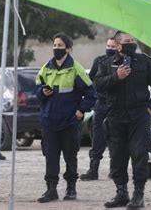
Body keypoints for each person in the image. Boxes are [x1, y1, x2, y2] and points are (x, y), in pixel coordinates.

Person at [94, 32, 151, 209]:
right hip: (115, 116)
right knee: (117, 157)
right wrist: (116, 77)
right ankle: (121, 193)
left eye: (133, 41)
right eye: (127, 42)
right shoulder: (106, 64)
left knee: (139, 155)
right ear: (118, 45)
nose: (131, 44)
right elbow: (97, 85)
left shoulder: (145, 61)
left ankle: (138, 195)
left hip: (139, 116)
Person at [35, 32, 96, 203]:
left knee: (70, 156)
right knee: (51, 157)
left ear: (68, 49)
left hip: (69, 122)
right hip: (49, 121)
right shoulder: (46, 68)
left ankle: (71, 189)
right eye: (54, 45)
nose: (56, 48)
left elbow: (91, 94)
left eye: (60, 46)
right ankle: (51, 189)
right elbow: (37, 90)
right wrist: (42, 92)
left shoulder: (76, 69)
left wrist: (81, 110)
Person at [80, 37, 117, 181]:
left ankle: (115, 170)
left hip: (116, 106)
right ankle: (93, 169)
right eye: (108, 45)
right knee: (98, 138)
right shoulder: (99, 61)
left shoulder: (122, 62)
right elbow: (90, 81)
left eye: (113, 46)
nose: (110, 48)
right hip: (101, 104)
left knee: (115, 139)